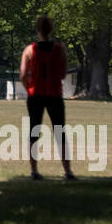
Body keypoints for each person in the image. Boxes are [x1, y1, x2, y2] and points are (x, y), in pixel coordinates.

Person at [20, 15, 75, 180]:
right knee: (60, 132)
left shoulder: (29, 50)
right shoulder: (60, 49)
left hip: (35, 94)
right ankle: (68, 171)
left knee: (33, 132)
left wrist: (29, 87)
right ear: (51, 29)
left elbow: (23, 74)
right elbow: (63, 74)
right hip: (54, 94)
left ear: (37, 30)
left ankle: (34, 171)